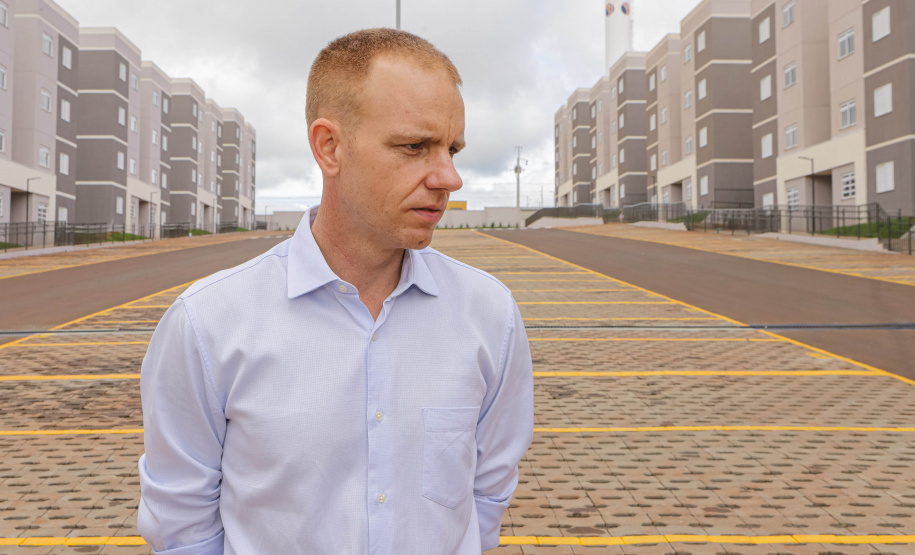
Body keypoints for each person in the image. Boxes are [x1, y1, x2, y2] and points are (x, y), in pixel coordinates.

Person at [138, 29, 534, 554]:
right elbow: (181, 526)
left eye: (452, 149)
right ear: (330, 147)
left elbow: (487, 495)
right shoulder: (206, 324)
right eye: (414, 146)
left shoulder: (490, 316)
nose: (449, 177)